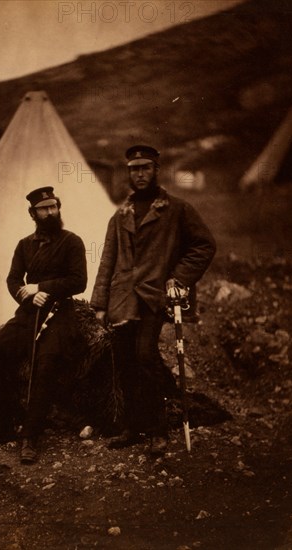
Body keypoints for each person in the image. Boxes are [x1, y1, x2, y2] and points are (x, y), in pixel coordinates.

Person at [91, 145, 216, 456]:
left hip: (154, 297)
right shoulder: (119, 216)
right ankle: (133, 427)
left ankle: (159, 431)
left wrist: (179, 278)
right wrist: (100, 304)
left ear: (156, 170)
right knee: (124, 362)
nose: (140, 174)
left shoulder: (176, 210)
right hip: (122, 299)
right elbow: (107, 260)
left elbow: (203, 246)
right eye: (134, 169)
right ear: (129, 173)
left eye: (146, 167)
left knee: (144, 355)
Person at [0, 186, 87, 464]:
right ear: (32, 213)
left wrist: (44, 287)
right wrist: (25, 293)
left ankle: (31, 437)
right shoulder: (24, 245)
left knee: (44, 362)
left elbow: (78, 281)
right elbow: (12, 279)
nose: (50, 213)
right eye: (43, 209)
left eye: (53, 207)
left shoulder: (72, 241)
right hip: (28, 313)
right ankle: (0, 427)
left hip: (60, 313)